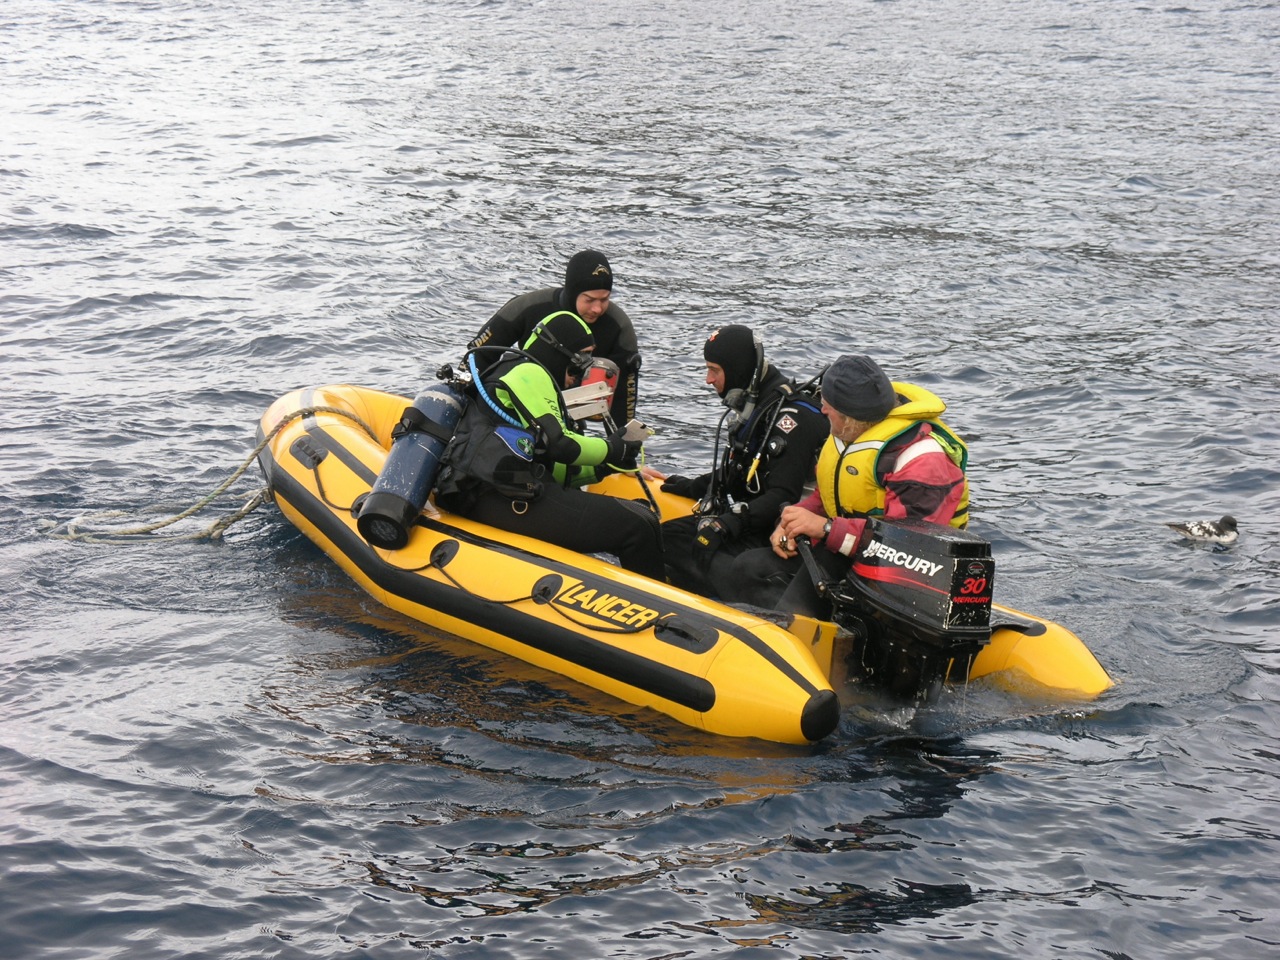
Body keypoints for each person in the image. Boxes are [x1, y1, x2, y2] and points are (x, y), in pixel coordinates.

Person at [729, 354, 970, 617]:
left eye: (827, 406)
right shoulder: (847, 434)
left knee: (797, 607)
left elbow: (908, 547)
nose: (822, 411)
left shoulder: (922, 461)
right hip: (848, 551)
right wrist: (793, 524)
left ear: (850, 417)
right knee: (747, 569)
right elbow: (827, 497)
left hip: (906, 580)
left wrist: (825, 528)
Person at [434, 311, 664, 579]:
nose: (581, 372)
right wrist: (614, 448)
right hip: (493, 497)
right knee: (636, 525)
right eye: (582, 359)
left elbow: (553, 465)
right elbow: (562, 446)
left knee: (641, 515)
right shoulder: (530, 372)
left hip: (494, 493)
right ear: (561, 352)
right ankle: (665, 613)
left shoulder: (518, 372)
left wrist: (606, 467)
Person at [643, 324, 829, 599]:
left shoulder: (791, 420)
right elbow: (742, 470)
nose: (708, 379)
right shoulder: (759, 406)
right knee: (663, 537)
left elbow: (783, 495)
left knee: (696, 548)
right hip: (756, 518)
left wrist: (726, 525)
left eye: (714, 370)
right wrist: (689, 485)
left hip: (784, 533)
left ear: (738, 370)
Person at [467, 250, 641, 426]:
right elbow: (479, 354)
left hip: (572, 410)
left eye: (604, 299)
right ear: (573, 293)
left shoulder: (619, 327)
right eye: (589, 300)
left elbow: (625, 397)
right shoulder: (530, 306)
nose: (597, 308)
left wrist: (625, 443)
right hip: (524, 400)